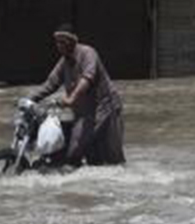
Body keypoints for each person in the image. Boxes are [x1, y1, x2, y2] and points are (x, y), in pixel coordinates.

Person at [28, 23, 125, 166]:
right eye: (57, 42)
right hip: (84, 112)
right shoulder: (64, 62)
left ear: (73, 41)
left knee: (113, 157)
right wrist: (30, 99)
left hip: (105, 108)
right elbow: (50, 84)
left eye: (63, 42)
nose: (59, 45)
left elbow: (87, 78)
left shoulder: (88, 53)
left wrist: (71, 98)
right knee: (75, 147)